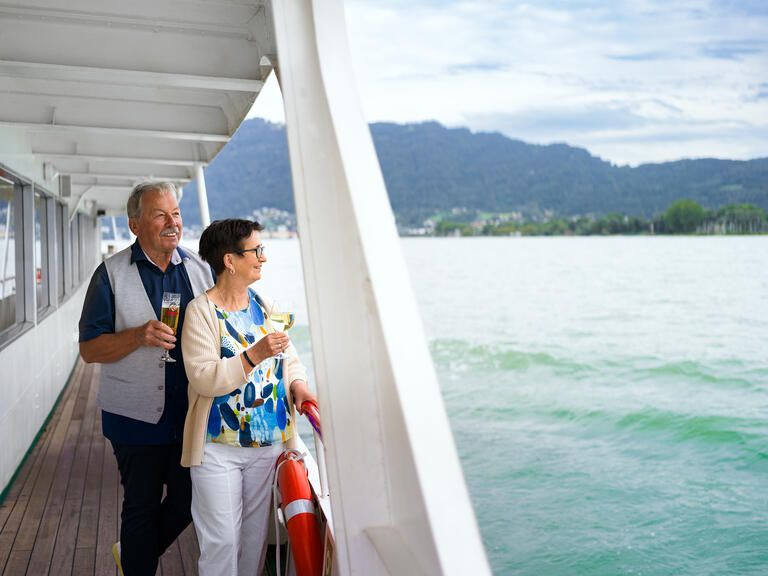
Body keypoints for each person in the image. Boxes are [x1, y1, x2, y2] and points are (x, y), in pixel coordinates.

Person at [79, 181, 215, 575]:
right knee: (139, 506)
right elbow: (89, 349)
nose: (172, 223)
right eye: (160, 215)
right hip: (133, 419)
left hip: (189, 416)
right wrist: (138, 337)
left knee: (192, 498)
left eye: (176, 214)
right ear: (135, 224)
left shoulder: (199, 270)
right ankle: (138, 562)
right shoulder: (109, 275)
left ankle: (135, 553)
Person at [180, 218, 316, 575]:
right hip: (217, 448)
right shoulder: (200, 312)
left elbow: (290, 359)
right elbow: (203, 377)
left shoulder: (265, 306)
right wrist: (253, 354)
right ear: (229, 260)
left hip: (268, 445)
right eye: (256, 250)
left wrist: (298, 386)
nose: (262, 258)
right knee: (222, 542)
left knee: (255, 541)